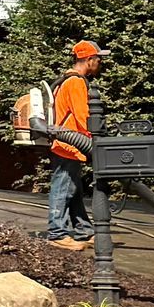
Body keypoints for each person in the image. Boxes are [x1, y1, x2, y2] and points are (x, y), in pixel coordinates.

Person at [45, 40, 105, 249]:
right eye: (98, 59)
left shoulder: (66, 80)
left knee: (74, 190)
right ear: (88, 60)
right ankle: (56, 233)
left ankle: (83, 231)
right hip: (68, 144)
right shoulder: (76, 82)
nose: (100, 63)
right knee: (63, 189)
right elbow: (83, 117)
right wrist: (95, 138)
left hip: (68, 144)